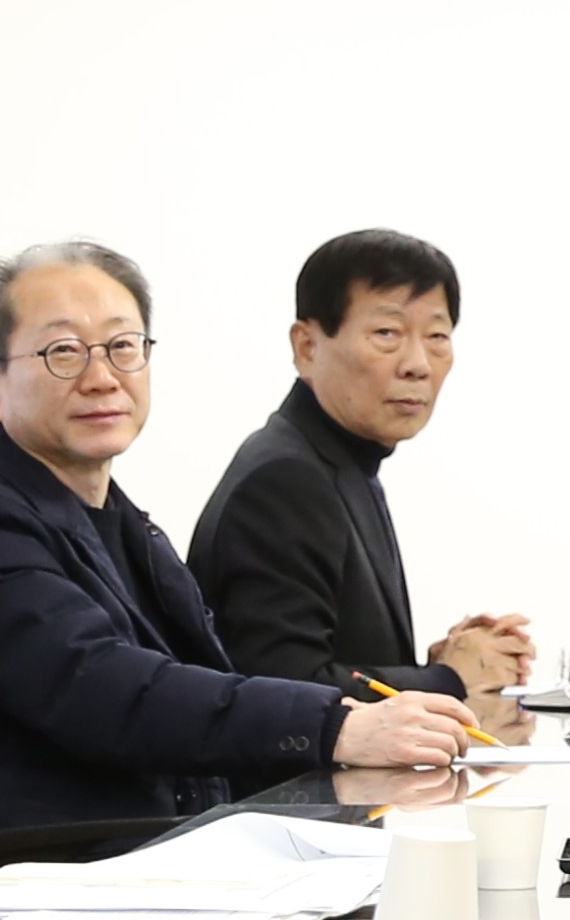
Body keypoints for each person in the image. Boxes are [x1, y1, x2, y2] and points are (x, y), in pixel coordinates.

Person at [0, 240, 478, 834]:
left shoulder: (119, 520)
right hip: (66, 865)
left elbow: (211, 682)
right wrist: (336, 726)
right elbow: (107, 691)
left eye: (123, 347)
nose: (102, 378)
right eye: (64, 351)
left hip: (178, 847)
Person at [188, 229, 533, 715]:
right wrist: (446, 679)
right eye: (387, 333)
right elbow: (285, 693)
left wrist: (445, 663)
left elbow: (333, 666)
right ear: (307, 346)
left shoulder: (341, 461)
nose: (417, 364)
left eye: (437, 336)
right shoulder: (285, 481)